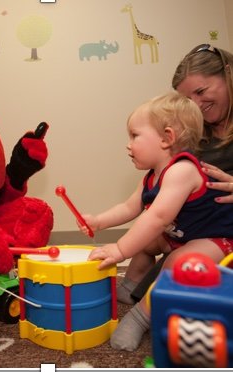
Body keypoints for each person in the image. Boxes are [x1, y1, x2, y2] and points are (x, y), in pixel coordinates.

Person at [78, 91, 233, 351]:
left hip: (217, 239)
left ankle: (140, 317)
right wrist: (99, 221)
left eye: (135, 136)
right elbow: (129, 207)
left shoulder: (182, 170)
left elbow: (158, 218)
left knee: (176, 262)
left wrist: (119, 249)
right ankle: (132, 285)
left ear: (167, 138)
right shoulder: (153, 175)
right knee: (145, 241)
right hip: (183, 234)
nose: (128, 144)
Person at [129, 44, 233, 304]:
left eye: (201, 91)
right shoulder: (195, 139)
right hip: (197, 229)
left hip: (223, 234)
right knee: (147, 235)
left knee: (178, 270)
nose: (197, 104)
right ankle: (135, 287)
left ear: (228, 75)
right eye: (189, 99)